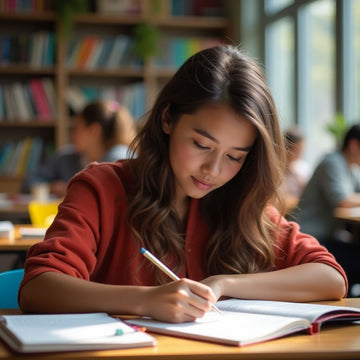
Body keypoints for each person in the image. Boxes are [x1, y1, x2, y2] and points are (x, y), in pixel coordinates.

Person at [19, 45, 347, 322]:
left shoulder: (241, 201)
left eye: (234, 156)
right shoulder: (103, 187)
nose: (213, 170)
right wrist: (144, 301)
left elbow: (330, 277)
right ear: (167, 119)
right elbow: (38, 287)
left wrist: (223, 284)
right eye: (202, 145)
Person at [290, 124, 360, 294]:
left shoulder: (351, 168)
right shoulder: (332, 162)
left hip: (328, 236)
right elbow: (343, 201)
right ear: (353, 145)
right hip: (309, 237)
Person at [22, 100, 137, 198]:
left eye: (76, 128)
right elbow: (28, 184)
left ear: (94, 130)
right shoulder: (65, 157)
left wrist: (70, 189)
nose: (71, 134)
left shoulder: (120, 157)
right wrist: (51, 188)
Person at [282, 126, 311, 199]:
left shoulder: (303, 167)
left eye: (300, 150)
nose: (298, 154)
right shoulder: (275, 168)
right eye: (295, 150)